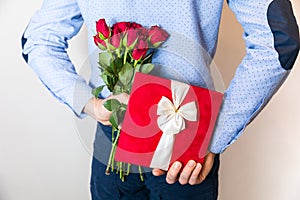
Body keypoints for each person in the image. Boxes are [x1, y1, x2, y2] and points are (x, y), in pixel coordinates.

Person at [22, 0, 299, 199]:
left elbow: (36, 41)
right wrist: (212, 136)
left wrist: (90, 103)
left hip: (120, 147)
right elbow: (279, 41)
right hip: (184, 152)